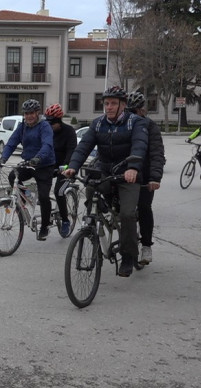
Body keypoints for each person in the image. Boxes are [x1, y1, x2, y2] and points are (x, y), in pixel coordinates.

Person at [63, 86, 148, 276]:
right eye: (106, 103)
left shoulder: (135, 123)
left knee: (127, 215)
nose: (109, 107)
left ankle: (127, 256)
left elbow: (139, 145)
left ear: (123, 105)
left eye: (113, 104)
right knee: (90, 182)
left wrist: (133, 167)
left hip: (127, 173)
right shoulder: (98, 124)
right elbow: (84, 146)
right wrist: (73, 166)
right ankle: (97, 212)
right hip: (105, 169)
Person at [0, 98, 57, 241]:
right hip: (28, 163)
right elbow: (11, 143)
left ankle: (45, 227)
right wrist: (3, 158)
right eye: (26, 113)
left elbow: (47, 145)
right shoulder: (23, 126)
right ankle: (25, 199)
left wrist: (38, 158)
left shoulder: (44, 126)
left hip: (44, 165)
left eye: (31, 113)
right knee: (12, 177)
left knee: (43, 196)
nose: (28, 116)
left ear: (37, 113)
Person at [125, 91, 165, 266]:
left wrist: (154, 177)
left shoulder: (150, 127)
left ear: (143, 111)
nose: (132, 115)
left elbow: (157, 153)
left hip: (145, 174)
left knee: (143, 207)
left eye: (136, 111)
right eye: (129, 111)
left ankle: (146, 245)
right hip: (123, 173)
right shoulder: (121, 125)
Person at [44, 103, 77, 238]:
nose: (50, 126)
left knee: (59, 191)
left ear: (59, 122)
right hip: (51, 166)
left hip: (66, 168)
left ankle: (65, 221)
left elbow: (72, 151)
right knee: (41, 186)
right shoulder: (47, 132)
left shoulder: (69, 132)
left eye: (52, 124)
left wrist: (65, 167)